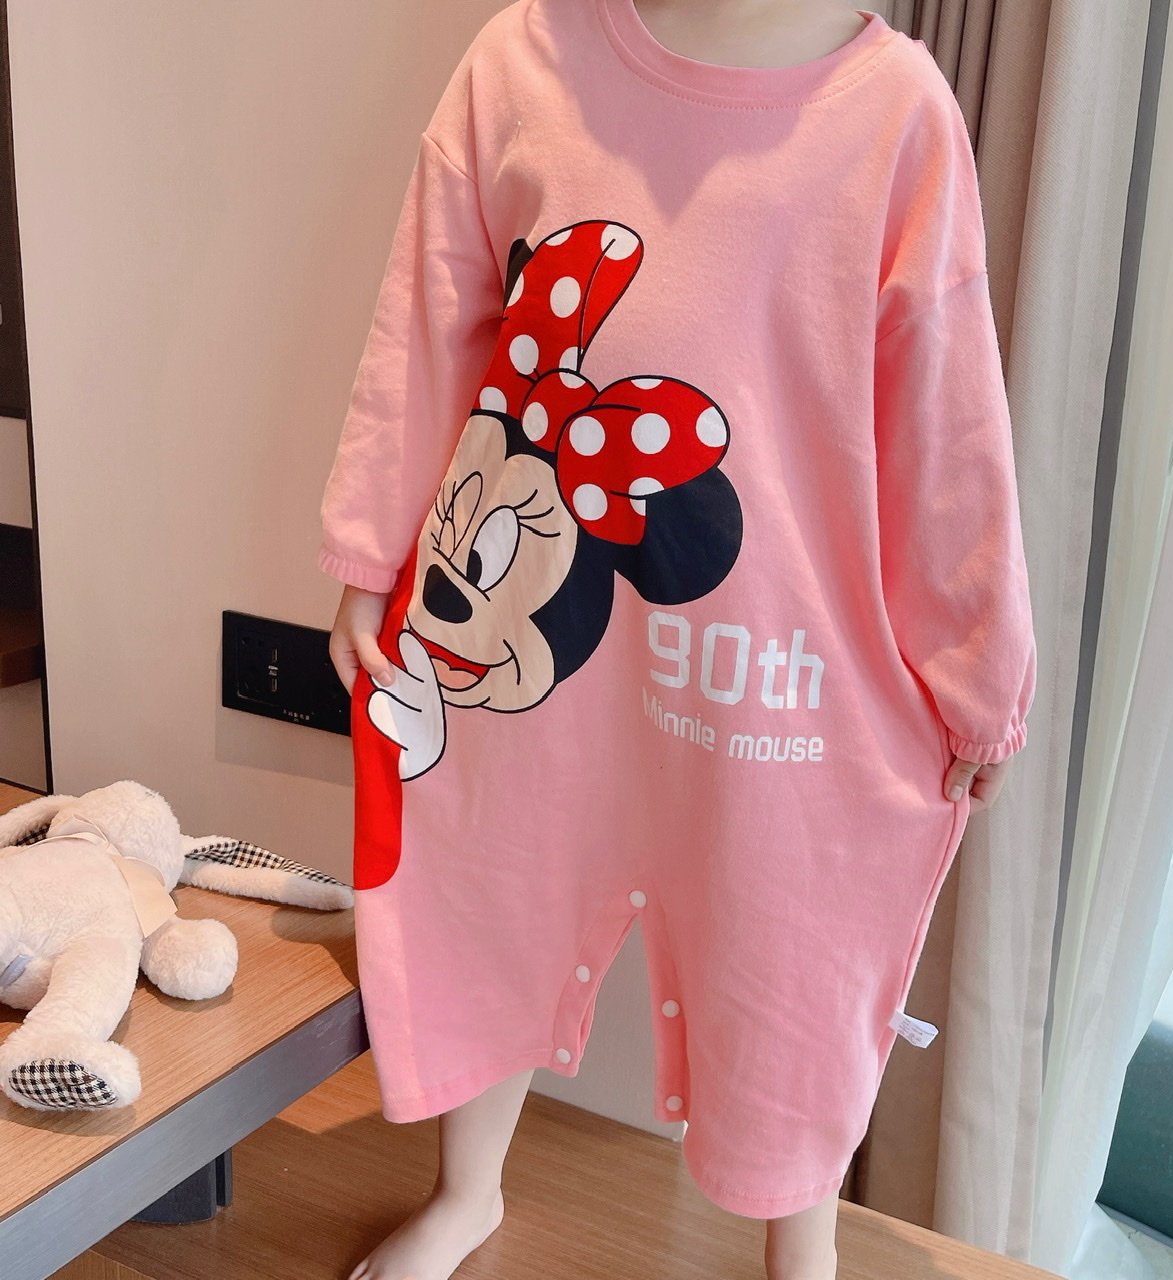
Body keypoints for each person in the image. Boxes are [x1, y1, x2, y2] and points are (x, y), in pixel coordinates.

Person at [319, 1, 1037, 1277]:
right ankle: (466, 1188)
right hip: (532, 630)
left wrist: (977, 669)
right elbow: (427, 318)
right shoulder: (521, 62)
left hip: (778, 669)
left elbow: (944, 425)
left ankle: (798, 1246)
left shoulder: (894, 114)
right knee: (496, 882)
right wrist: (373, 550)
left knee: (786, 943)